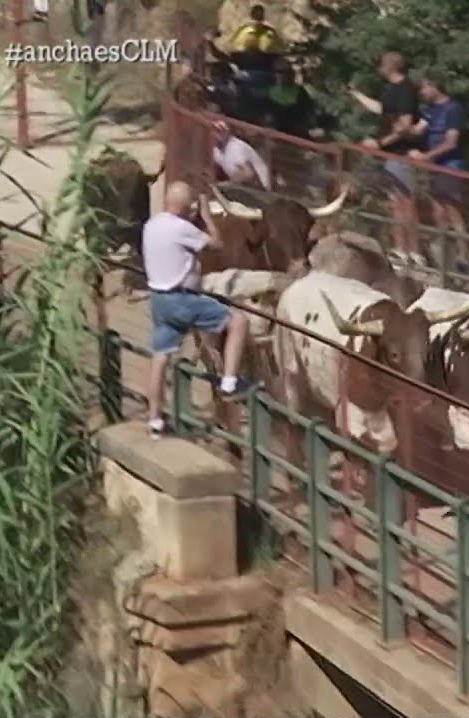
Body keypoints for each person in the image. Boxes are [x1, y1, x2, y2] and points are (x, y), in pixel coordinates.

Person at [142, 181, 251, 437]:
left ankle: (154, 420)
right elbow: (217, 244)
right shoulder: (183, 229)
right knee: (238, 321)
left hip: (159, 299)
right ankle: (229, 383)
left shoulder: (152, 225)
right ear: (188, 206)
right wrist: (205, 216)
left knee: (160, 359)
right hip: (183, 299)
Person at [350, 51, 421, 264]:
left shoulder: (406, 89)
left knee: (405, 201)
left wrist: (380, 143)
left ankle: (414, 252)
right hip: (388, 154)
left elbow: (406, 124)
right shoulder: (391, 91)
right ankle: (400, 249)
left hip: (400, 153)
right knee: (394, 201)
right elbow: (381, 110)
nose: (378, 68)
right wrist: (355, 94)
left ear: (390, 66)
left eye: (381, 64)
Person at [408, 72, 468, 271]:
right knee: (438, 211)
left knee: (453, 211)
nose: (422, 92)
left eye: (425, 87)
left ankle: (463, 257)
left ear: (435, 86)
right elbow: (416, 130)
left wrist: (426, 156)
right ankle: (444, 256)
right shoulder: (430, 110)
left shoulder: (453, 109)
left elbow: (451, 141)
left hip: (450, 165)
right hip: (434, 167)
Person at [224, 4, 283, 76]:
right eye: (257, 15)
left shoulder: (269, 32)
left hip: (262, 67)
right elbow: (233, 49)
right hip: (250, 66)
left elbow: (278, 50)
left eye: (259, 15)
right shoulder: (244, 31)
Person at [211, 120, 271, 190]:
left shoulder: (235, 147)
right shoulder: (216, 150)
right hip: (241, 185)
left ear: (228, 133)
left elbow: (248, 173)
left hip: (259, 187)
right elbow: (214, 169)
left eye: (221, 131)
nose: (218, 135)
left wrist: (228, 183)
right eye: (216, 131)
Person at [266, 58, 315, 137]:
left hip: (296, 134)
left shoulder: (300, 92)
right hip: (277, 133)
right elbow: (267, 115)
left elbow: (307, 114)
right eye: (279, 73)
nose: (281, 76)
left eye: (285, 73)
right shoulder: (271, 92)